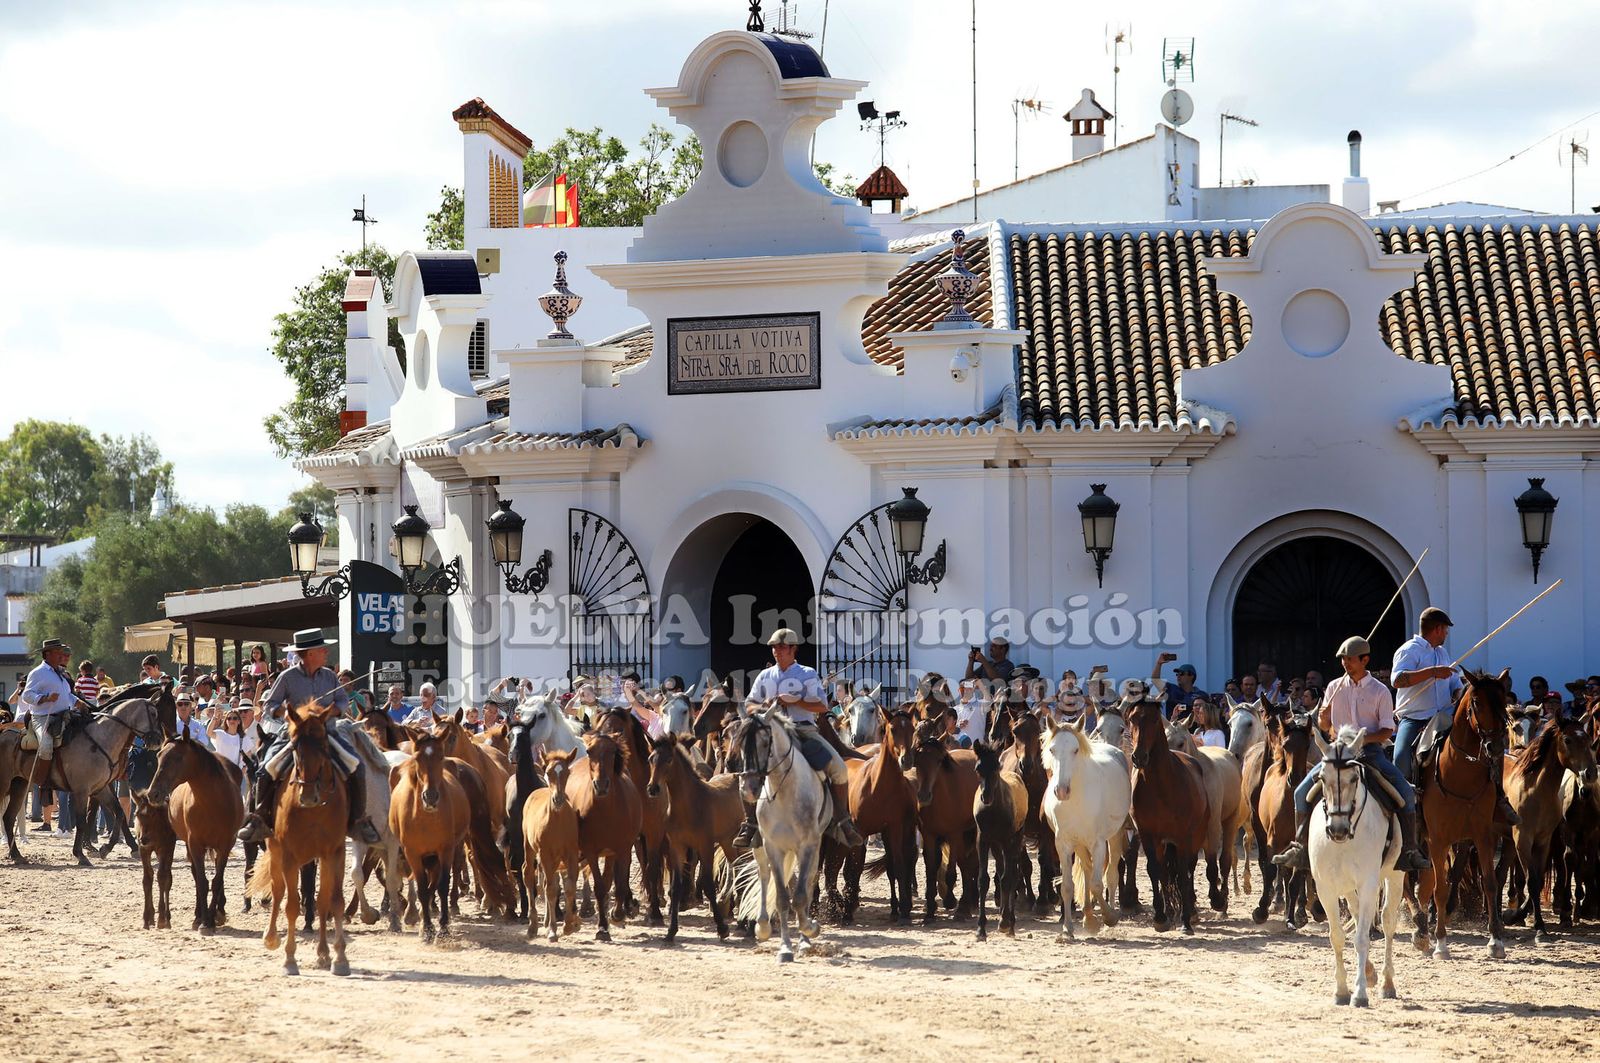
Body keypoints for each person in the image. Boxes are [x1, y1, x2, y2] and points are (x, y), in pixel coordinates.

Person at [1274, 636, 1430, 873]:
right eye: (1343, 659)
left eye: (1350, 659)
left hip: (1370, 753)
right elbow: (1326, 727)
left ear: (1364, 660)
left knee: (1406, 792)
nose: (1345, 663)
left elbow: (1388, 729)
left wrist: (1362, 739)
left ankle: (1408, 850)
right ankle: (1300, 847)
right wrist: (1324, 718)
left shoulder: (1380, 691)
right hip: (1337, 753)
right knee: (1300, 792)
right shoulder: (1334, 687)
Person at [237, 628, 382, 846]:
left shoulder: (330, 676)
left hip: (327, 732)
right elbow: (269, 706)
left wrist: (333, 710)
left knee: (357, 766)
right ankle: (259, 819)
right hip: (295, 734)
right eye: (322, 649)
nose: (326, 652)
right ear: (310, 653)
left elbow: (342, 700)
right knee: (265, 769)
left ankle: (357, 821)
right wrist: (284, 712)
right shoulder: (287, 677)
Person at [734, 629, 864, 851]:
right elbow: (748, 705)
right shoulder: (764, 676)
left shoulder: (807, 673)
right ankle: (751, 824)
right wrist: (763, 705)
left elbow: (822, 706)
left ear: (793, 649)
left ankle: (842, 821)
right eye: (774, 647)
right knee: (744, 770)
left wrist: (795, 701)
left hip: (803, 731)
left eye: (781, 647)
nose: (777, 651)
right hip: (771, 734)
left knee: (839, 768)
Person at [18, 638, 94, 772]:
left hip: (65, 715)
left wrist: (78, 702)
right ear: (47, 654)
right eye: (58, 651)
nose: (62, 654)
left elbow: (66, 694)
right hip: (42, 718)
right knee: (46, 747)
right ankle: (42, 780)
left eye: (61, 651)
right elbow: (26, 695)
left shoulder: (60, 672)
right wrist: (45, 698)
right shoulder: (37, 673)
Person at [1153, 653, 1207, 719]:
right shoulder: (1171, 689)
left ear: (1191, 676)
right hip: (1174, 727)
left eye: (1181, 673)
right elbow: (1156, 682)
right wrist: (1159, 664)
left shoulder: (1202, 695)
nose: (1178, 676)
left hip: (1196, 728)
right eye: (1177, 674)